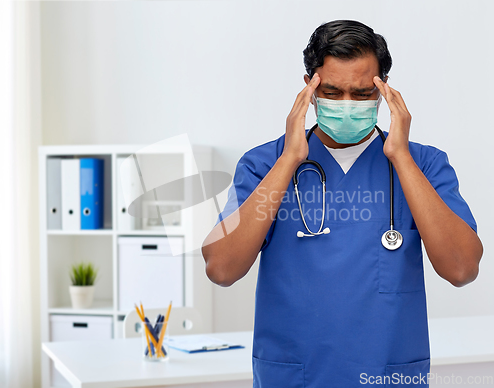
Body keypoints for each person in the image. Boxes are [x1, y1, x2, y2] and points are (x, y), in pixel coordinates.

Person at [201, 20, 483, 387]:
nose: (347, 106)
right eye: (332, 93)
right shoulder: (265, 164)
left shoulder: (424, 165)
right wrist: (289, 160)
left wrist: (401, 157)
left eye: (363, 94)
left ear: (384, 90)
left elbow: (462, 269)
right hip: (295, 377)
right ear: (309, 88)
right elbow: (221, 269)